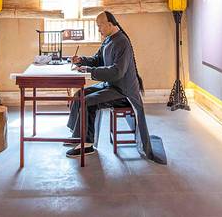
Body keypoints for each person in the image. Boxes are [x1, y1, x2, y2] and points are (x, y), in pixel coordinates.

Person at [66, 11, 166, 164]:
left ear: (109, 24)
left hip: (123, 92)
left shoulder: (122, 42)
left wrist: (90, 71)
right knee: (79, 95)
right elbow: (98, 59)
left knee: (87, 102)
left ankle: (86, 145)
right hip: (111, 86)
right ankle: (77, 136)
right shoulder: (108, 40)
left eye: (100, 26)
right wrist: (81, 60)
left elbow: (117, 72)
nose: (98, 29)